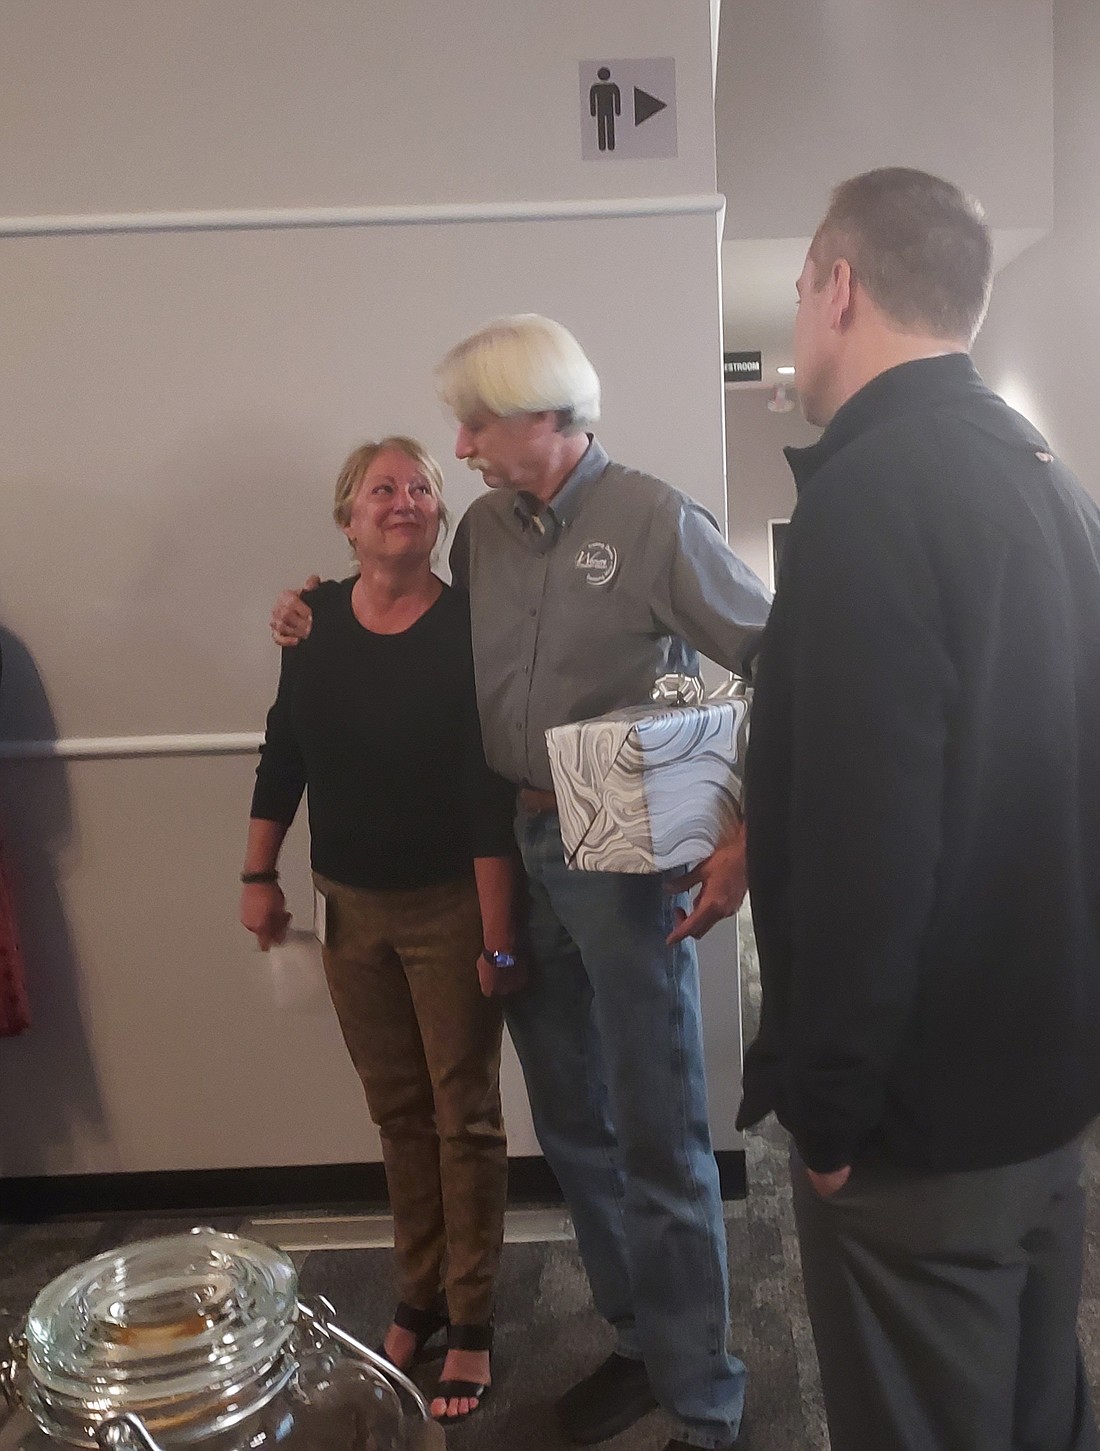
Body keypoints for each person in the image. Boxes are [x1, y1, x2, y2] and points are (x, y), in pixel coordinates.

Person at [273, 316, 771, 1451]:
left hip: (626, 849)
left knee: (657, 1127)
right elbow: (409, 623)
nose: (461, 445)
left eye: (478, 423)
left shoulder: (651, 518)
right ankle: (636, 1338)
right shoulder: (487, 533)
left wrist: (745, 823)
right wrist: (306, 609)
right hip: (518, 841)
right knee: (573, 1124)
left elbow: (773, 652)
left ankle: (703, 1393)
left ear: (546, 417)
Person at [738, 167, 1100, 1451]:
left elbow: (863, 850)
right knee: (1033, 1411)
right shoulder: (1052, 485)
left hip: (920, 1121)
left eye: (796, 292)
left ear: (838, 288)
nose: (796, 322)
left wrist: (828, 1113)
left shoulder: (866, 502)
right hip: (1043, 1086)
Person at [241, 436, 521, 1423]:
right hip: (343, 906)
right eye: (381, 488)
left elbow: (486, 791)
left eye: (419, 487)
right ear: (349, 518)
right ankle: (418, 1289)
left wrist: (496, 937)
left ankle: (473, 1319)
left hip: (451, 905)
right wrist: (255, 869)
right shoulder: (310, 619)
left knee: (466, 1113)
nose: (403, 499)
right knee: (397, 1111)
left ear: (437, 517)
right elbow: (285, 751)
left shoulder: (467, 627)